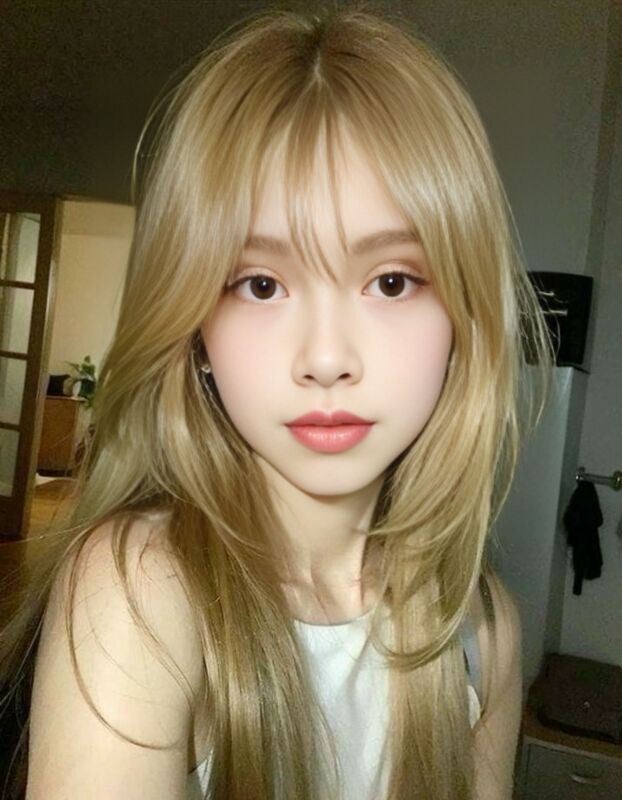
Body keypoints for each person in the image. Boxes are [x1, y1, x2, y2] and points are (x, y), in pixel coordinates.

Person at [0, 6, 552, 800]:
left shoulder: (483, 636)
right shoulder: (141, 593)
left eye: (391, 281)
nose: (325, 358)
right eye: (261, 285)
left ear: (464, 318)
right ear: (195, 326)